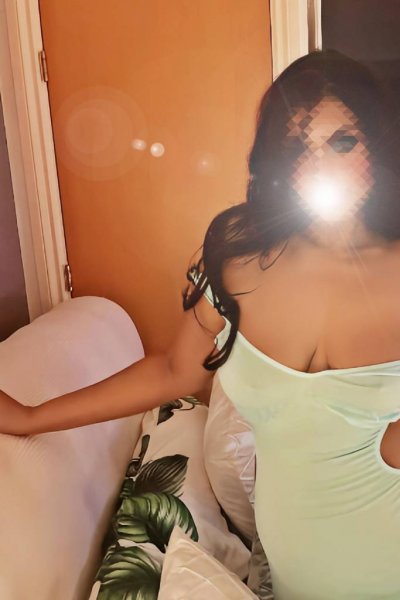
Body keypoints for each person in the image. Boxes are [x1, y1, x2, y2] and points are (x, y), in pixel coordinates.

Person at [1, 48, 400, 598]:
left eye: (343, 141)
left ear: (380, 145)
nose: (318, 166)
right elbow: (174, 370)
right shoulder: (237, 261)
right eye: (296, 147)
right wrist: (31, 417)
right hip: (294, 572)